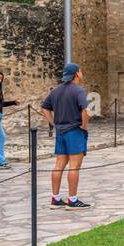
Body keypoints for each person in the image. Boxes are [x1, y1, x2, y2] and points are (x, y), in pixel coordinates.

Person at [41, 63, 92, 209]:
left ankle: (55, 199)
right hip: (75, 131)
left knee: (59, 165)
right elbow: (86, 110)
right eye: (81, 71)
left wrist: (54, 123)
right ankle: (72, 200)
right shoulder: (79, 91)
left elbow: (45, 108)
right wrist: (84, 126)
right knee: (74, 166)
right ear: (76, 74)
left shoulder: (55, 91)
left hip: (61, 132)